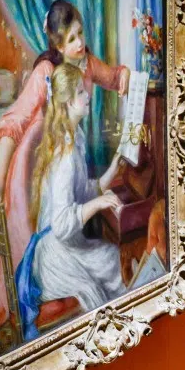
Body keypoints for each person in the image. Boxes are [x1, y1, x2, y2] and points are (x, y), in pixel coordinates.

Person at [0, 0, 129, 277]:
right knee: (44, 237)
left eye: (80, 34)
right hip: (39, 158)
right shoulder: (45, 72)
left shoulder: (86, 62)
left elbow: (112, 77)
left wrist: (123, 74)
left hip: (67, 148)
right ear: (58, 46)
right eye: (70, 40)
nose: (79, 44)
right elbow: (13, 121)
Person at [15, 63, 127, 340]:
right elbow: (63, 224)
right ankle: (112, 337)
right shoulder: (64, 154)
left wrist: (113, 167)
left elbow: (84, 190)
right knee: (109, 264)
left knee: (112, 258)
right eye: (80, 92)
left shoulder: (73, 138)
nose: (87, 96)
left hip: (62, 243)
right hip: (53, 253)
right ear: (66, 103)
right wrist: (99, 205)